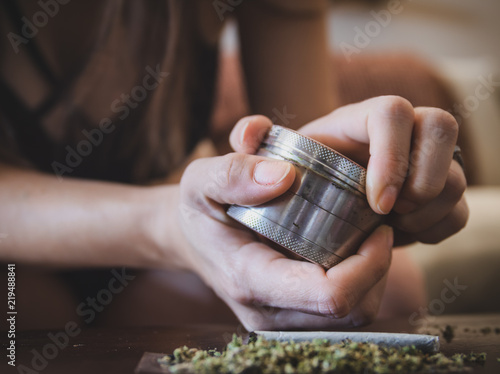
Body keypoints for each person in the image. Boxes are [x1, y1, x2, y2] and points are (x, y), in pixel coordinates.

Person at [0, 0, 467, 331]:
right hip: (21, 251)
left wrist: (355, 178)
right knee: (26, 312)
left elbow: (301, 133)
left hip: (157, 255)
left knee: (383, 288)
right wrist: (170, 226)